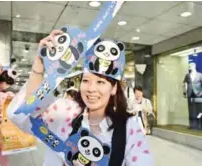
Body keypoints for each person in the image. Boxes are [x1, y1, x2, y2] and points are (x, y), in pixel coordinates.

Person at [8, 29, 154, 166]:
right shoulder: (66, 112)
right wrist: (39, 66)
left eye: (101, 82)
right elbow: (25, 113)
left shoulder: (129, 127)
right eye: (86, 80)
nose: (91, 89)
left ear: (114, 88)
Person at [183, 62, 202, 129]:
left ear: (194, 66)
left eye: (191, 66)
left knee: (199, 110)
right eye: (189, 66)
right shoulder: (187, 75)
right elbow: (185, 84)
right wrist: (185, 93)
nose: (190, 67)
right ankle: (191, 124)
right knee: (191, 110)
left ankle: (200, 125)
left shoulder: (200, 75)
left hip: (199, 95)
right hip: (190, 94)